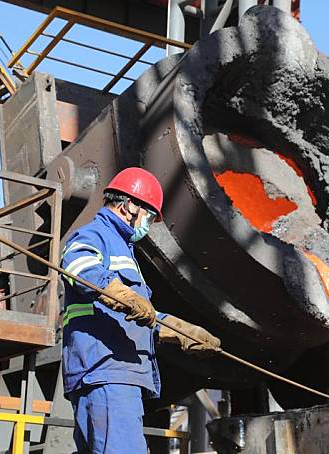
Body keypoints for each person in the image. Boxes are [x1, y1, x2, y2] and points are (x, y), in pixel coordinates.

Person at [60, 167, 221, 453]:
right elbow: (76, 266)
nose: (147, 224)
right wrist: (119, 293)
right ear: (129, 206)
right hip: (108, 369)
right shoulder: (96, 234)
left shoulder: (123, 250)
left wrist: (180, 331)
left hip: (112, 372)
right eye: (148, 215)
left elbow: (139, 314)